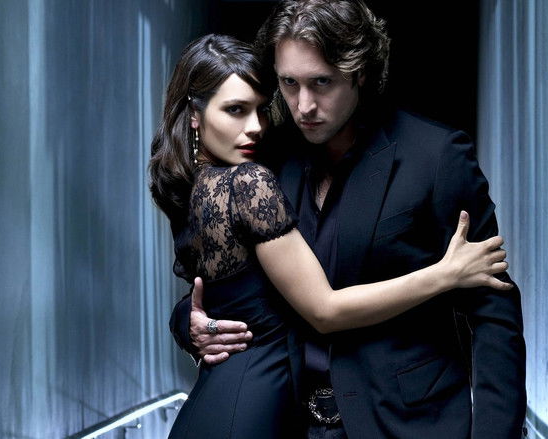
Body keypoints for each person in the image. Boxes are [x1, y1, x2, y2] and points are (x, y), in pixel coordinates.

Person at [169, 1, 528, 438]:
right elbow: (230, 280)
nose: (303, 105)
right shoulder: (266, 159)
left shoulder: (435, 157)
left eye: (321, 82)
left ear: (358, 72)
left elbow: (494, 309)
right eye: (289, 83)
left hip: (405, 424)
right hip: (288, 423)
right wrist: (191, 324)